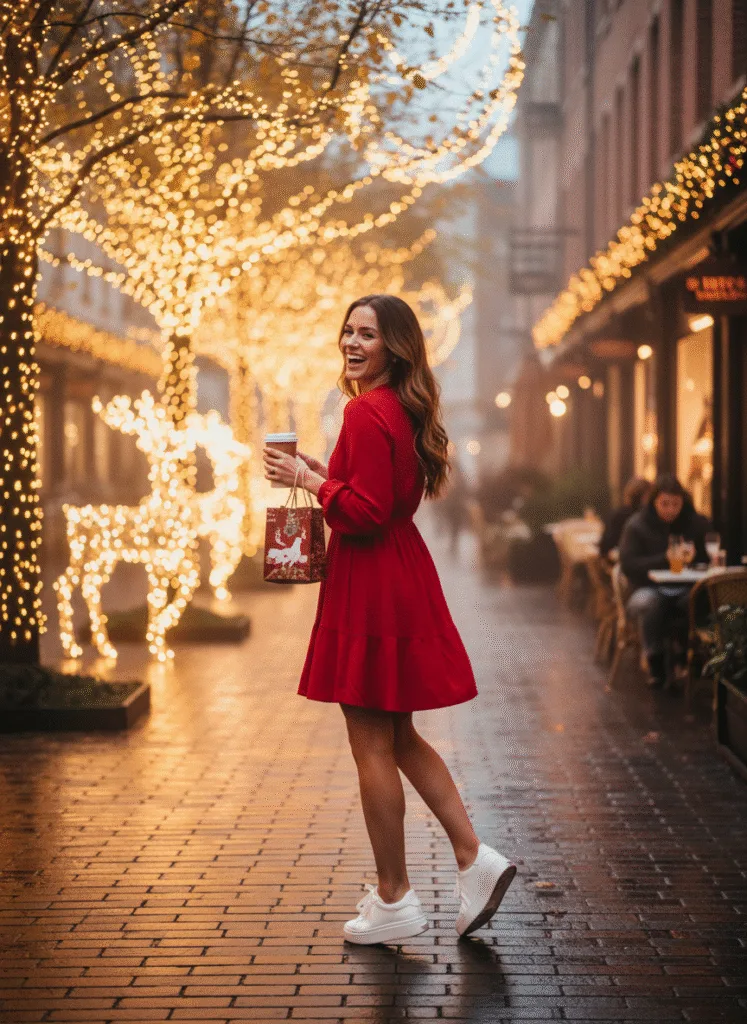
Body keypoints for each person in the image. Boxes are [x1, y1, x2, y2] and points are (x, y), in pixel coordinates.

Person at [263, 294, 516, 945]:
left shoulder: (363, 408)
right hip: (395, 573)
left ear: (392, 346)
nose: (351, 342)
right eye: (347, 330)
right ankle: (472, 859)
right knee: (397, 735)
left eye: (367, 334)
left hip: (370, 580)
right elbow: (376, 492)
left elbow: (367, 511)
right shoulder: (396, 409)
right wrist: (325, 473)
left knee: (371, 741)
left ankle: (395, 897)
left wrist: (308, 481)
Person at [619, 473, 709, 688]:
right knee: (651, 601)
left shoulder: (692, 523)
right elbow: (629, 565)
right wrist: (664, 559)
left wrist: (697, 555)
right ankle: (656, 661)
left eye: (675, 504)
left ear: (682, 502)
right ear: (654, 502)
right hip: (645, 587)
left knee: (697, 600)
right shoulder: (637, 525)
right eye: (664, 504)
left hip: (683, 587)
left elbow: (705, 560)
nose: (670, 510)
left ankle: (688, 656)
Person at [599, 476, 651, 559]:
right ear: (644, 496)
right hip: (620, 564)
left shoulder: (616, 513)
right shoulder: (643, 517)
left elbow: (603, 547)